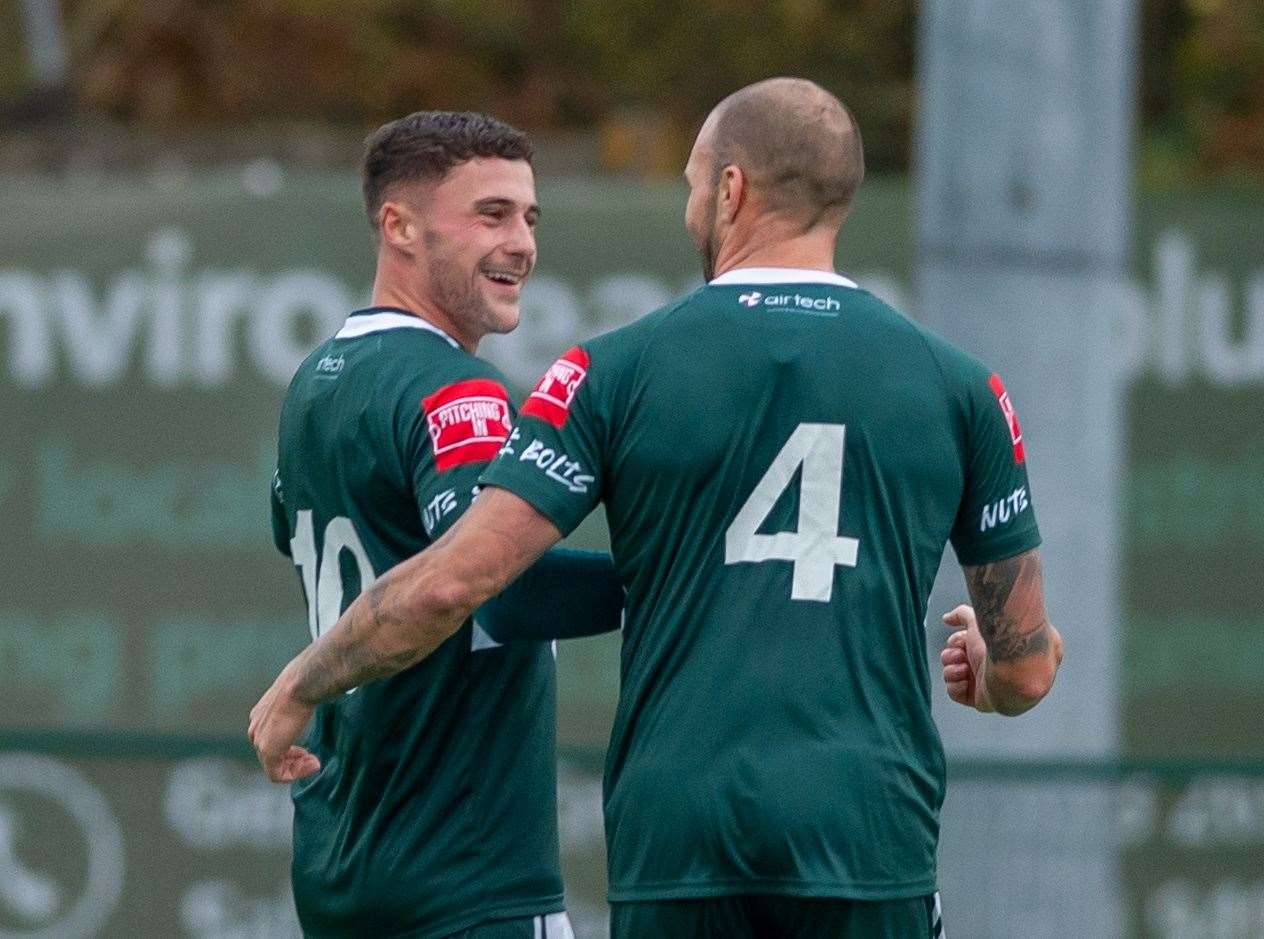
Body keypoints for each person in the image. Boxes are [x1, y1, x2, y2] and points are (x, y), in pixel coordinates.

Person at [252, 79, 1065, 938]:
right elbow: (1023, 674)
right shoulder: (965, 387)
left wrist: (304, 677)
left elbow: (461, 577)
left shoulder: (610, 370)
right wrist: (1013, 651)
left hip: (674, 838)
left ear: (731, 189)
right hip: (871, 831)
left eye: (689, 185)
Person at [262, 110, 622, 939]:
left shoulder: (315, 381)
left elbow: (299, 538)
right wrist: (682, 572)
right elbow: (505, 590)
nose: (523, 241)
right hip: (467, 869)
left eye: (530, 217)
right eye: (490, 213)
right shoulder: (454, 387)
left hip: (343, 860)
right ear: (400, 226)